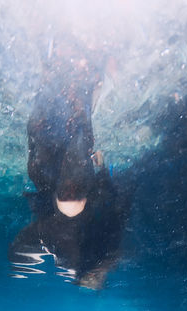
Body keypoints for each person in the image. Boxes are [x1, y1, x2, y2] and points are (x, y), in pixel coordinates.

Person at [9, 46, 127, 290]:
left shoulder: (57, 232)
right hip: (66, 198)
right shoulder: (73, 233)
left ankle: (71, 70)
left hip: (60, 195)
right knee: (69, 121)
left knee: (55, 121)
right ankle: (84, 72)